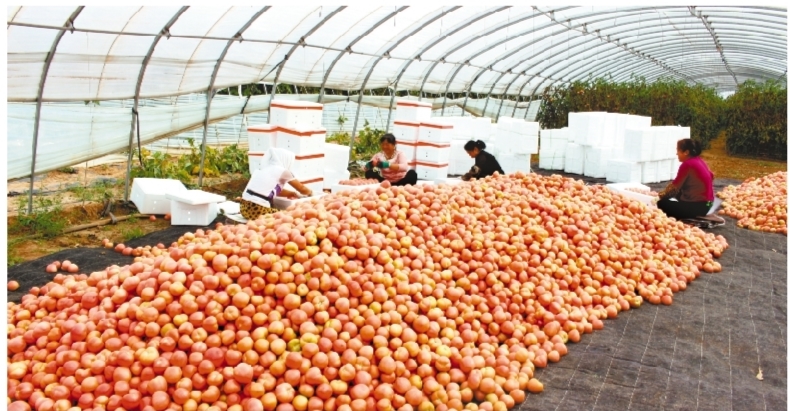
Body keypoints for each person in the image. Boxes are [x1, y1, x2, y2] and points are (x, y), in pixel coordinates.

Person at [656, 138, 721, 221]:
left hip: (699, 206)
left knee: (662, 204)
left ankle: (693, 215)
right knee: (677, 194)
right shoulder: (699, 160)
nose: (676, 153)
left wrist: (660, 196)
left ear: (686, 152)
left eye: (678, 150)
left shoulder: (687, 165)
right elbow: (711, 176)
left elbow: (674, 188)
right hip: (709, 204)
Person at [239, 147, 312, 220]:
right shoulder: (282, 171)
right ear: (285, 159)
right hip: (257, 209)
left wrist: (293, 194)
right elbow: (302, 188)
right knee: (289, 215)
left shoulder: (264, 169)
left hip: (243, 208)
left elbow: (271, 190)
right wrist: (311, 193)